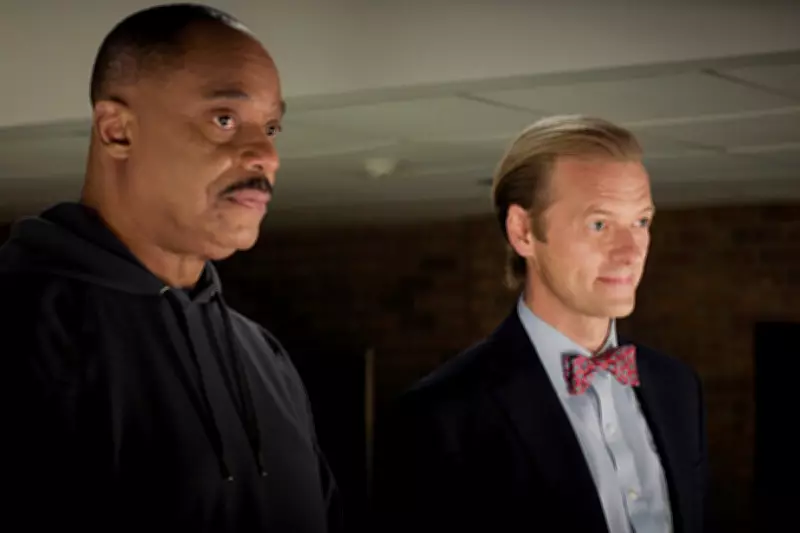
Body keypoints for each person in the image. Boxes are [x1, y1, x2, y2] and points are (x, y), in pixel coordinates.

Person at [0, 4, 341, 532]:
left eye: (271, 127)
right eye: (224, 120)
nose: (266, 156)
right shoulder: (20, 331)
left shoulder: (265, 357)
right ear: (117, 130)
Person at [373, 115, 708, 533]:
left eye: (641, 222)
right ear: (523, 231)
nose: (630, 252)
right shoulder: (439, 418)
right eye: (599, 224)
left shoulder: (678, 387)